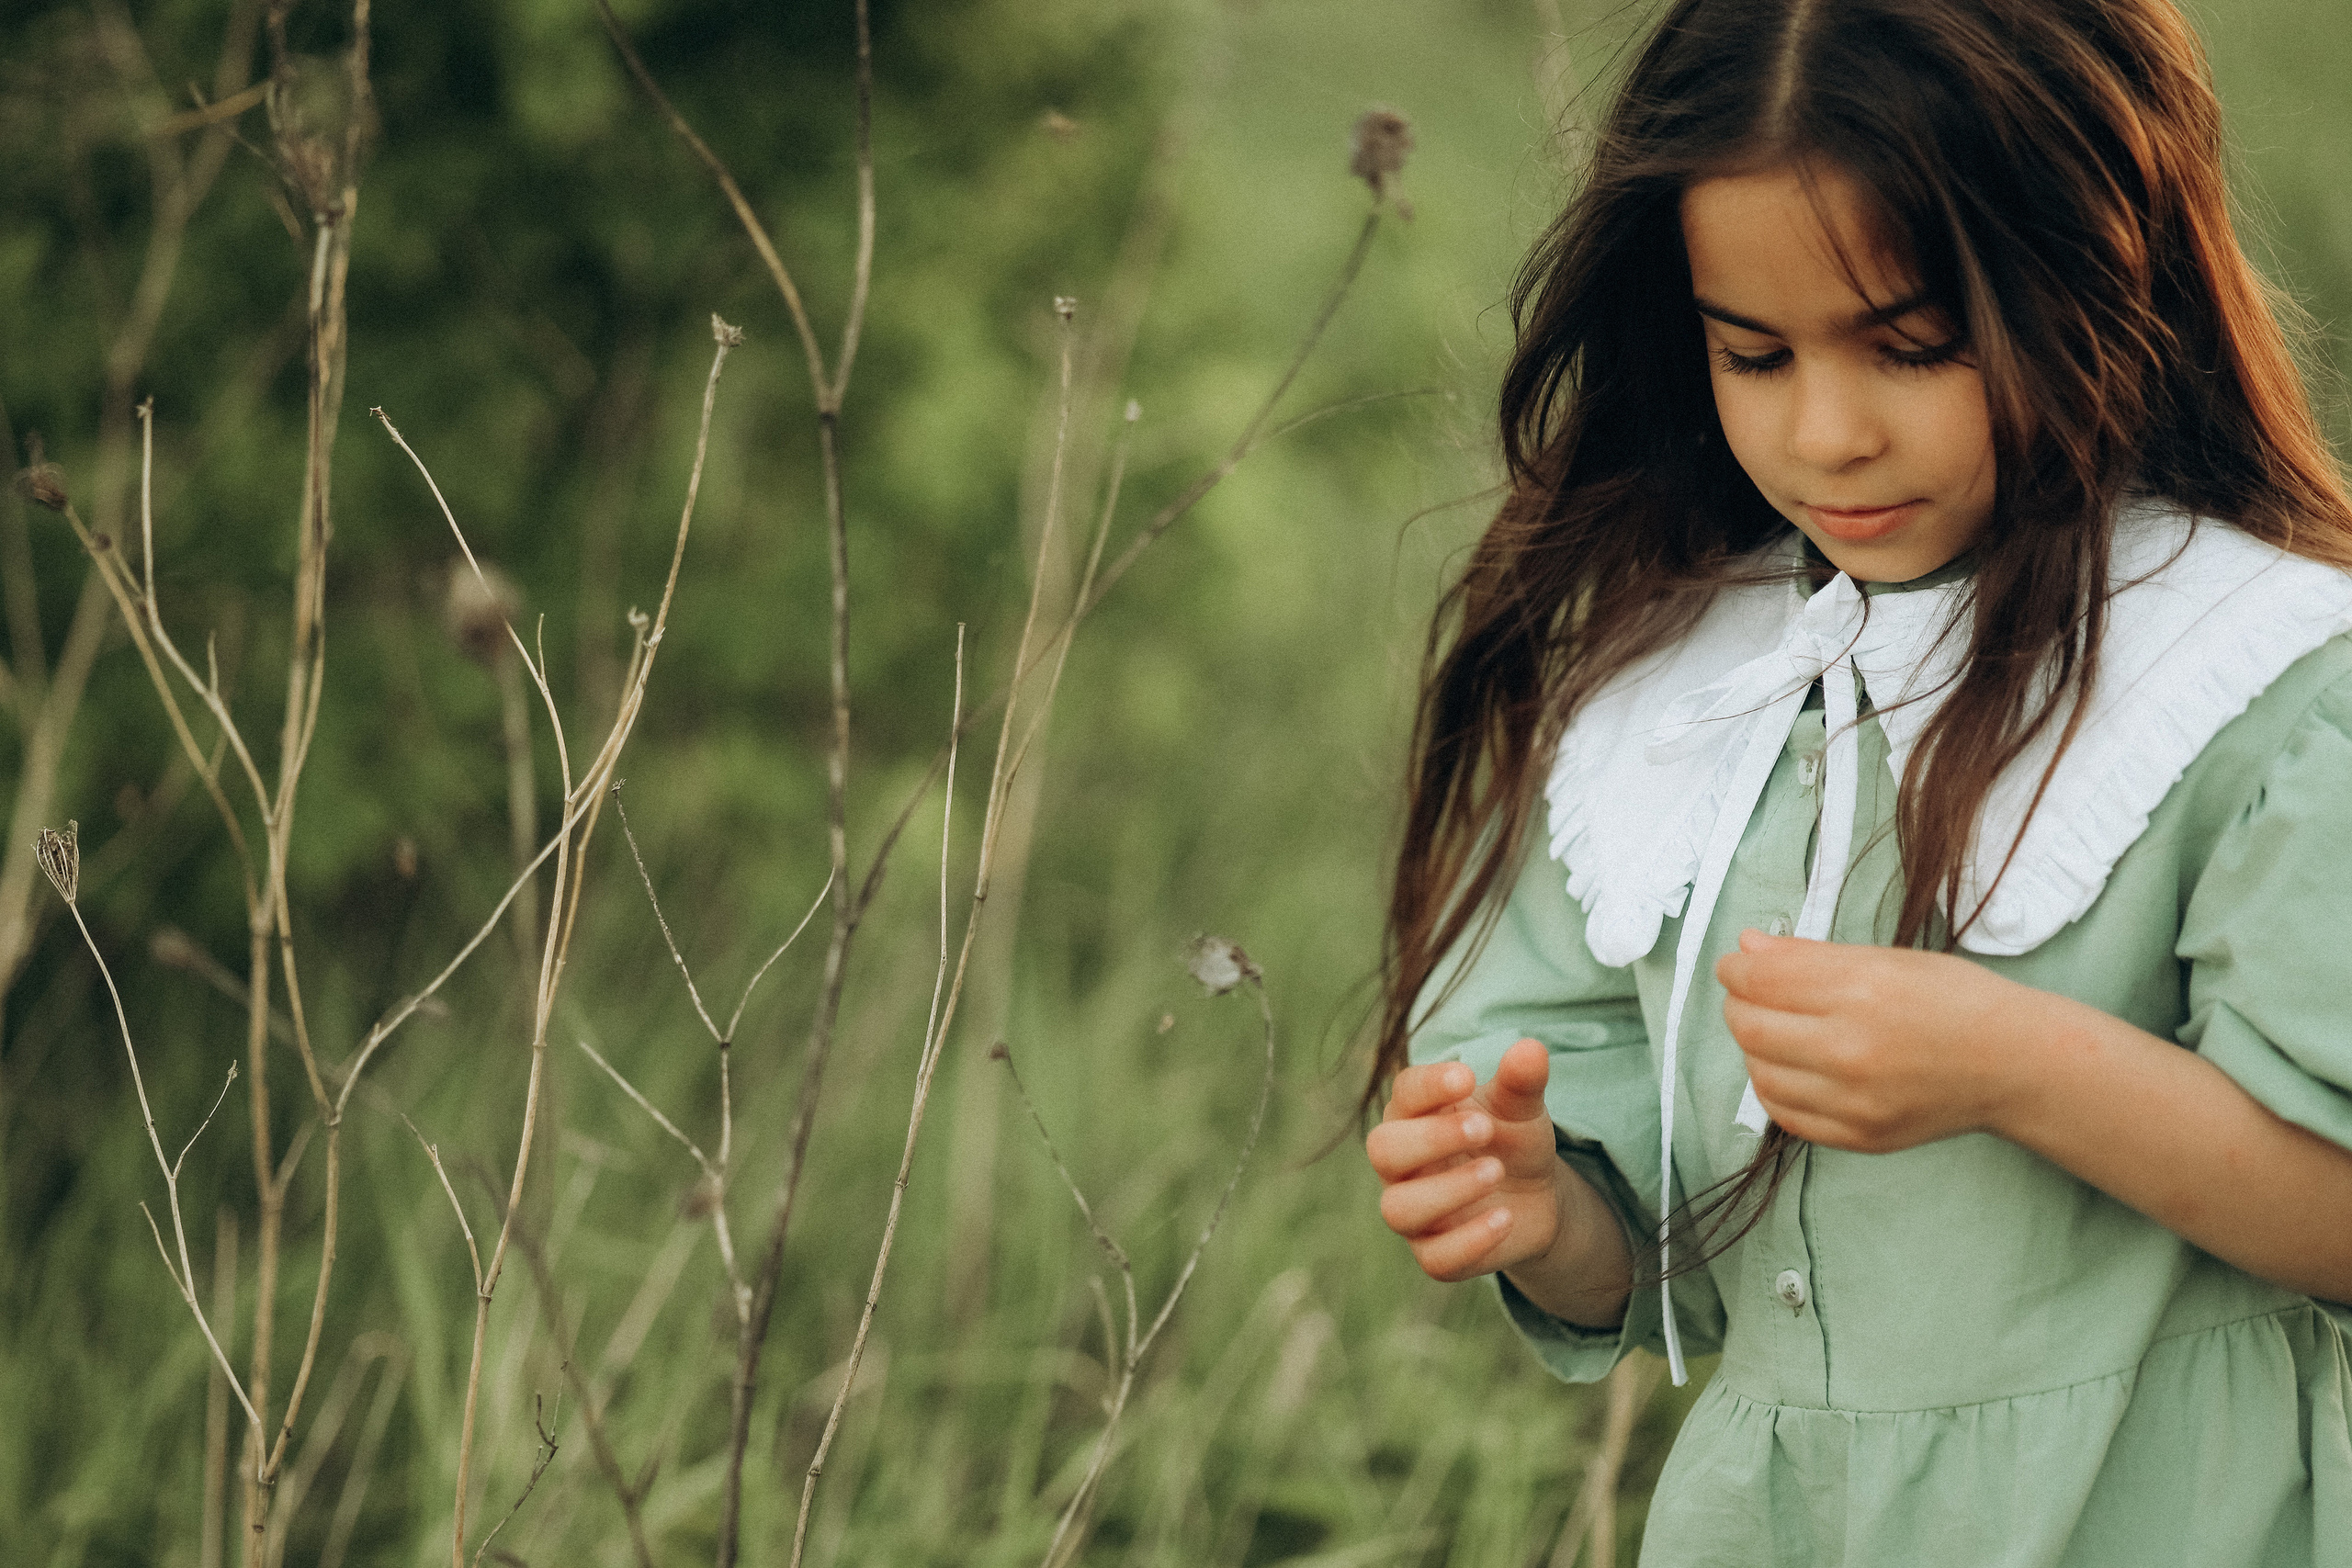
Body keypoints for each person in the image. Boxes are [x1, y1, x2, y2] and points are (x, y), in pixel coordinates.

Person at [1361, 1, 2352, 1562]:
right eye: (1754, 354)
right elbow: (1660, 1264)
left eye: (1909, 346)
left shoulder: (2256, 678)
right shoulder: (1687, 690)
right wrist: (1542, 1215)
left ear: (2100, 278)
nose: (1827, 434)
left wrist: (2018, 1067)